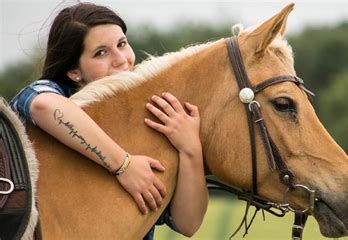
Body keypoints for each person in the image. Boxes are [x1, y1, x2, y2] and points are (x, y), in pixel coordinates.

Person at [9, 2, 208, 239]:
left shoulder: (147, 117)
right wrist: (124, 166)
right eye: (101, 53)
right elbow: (43, 105)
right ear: (74, 71)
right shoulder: (53, 93)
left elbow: (188, 223)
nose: (121, 59)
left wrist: (191, 149)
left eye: (122, 44)